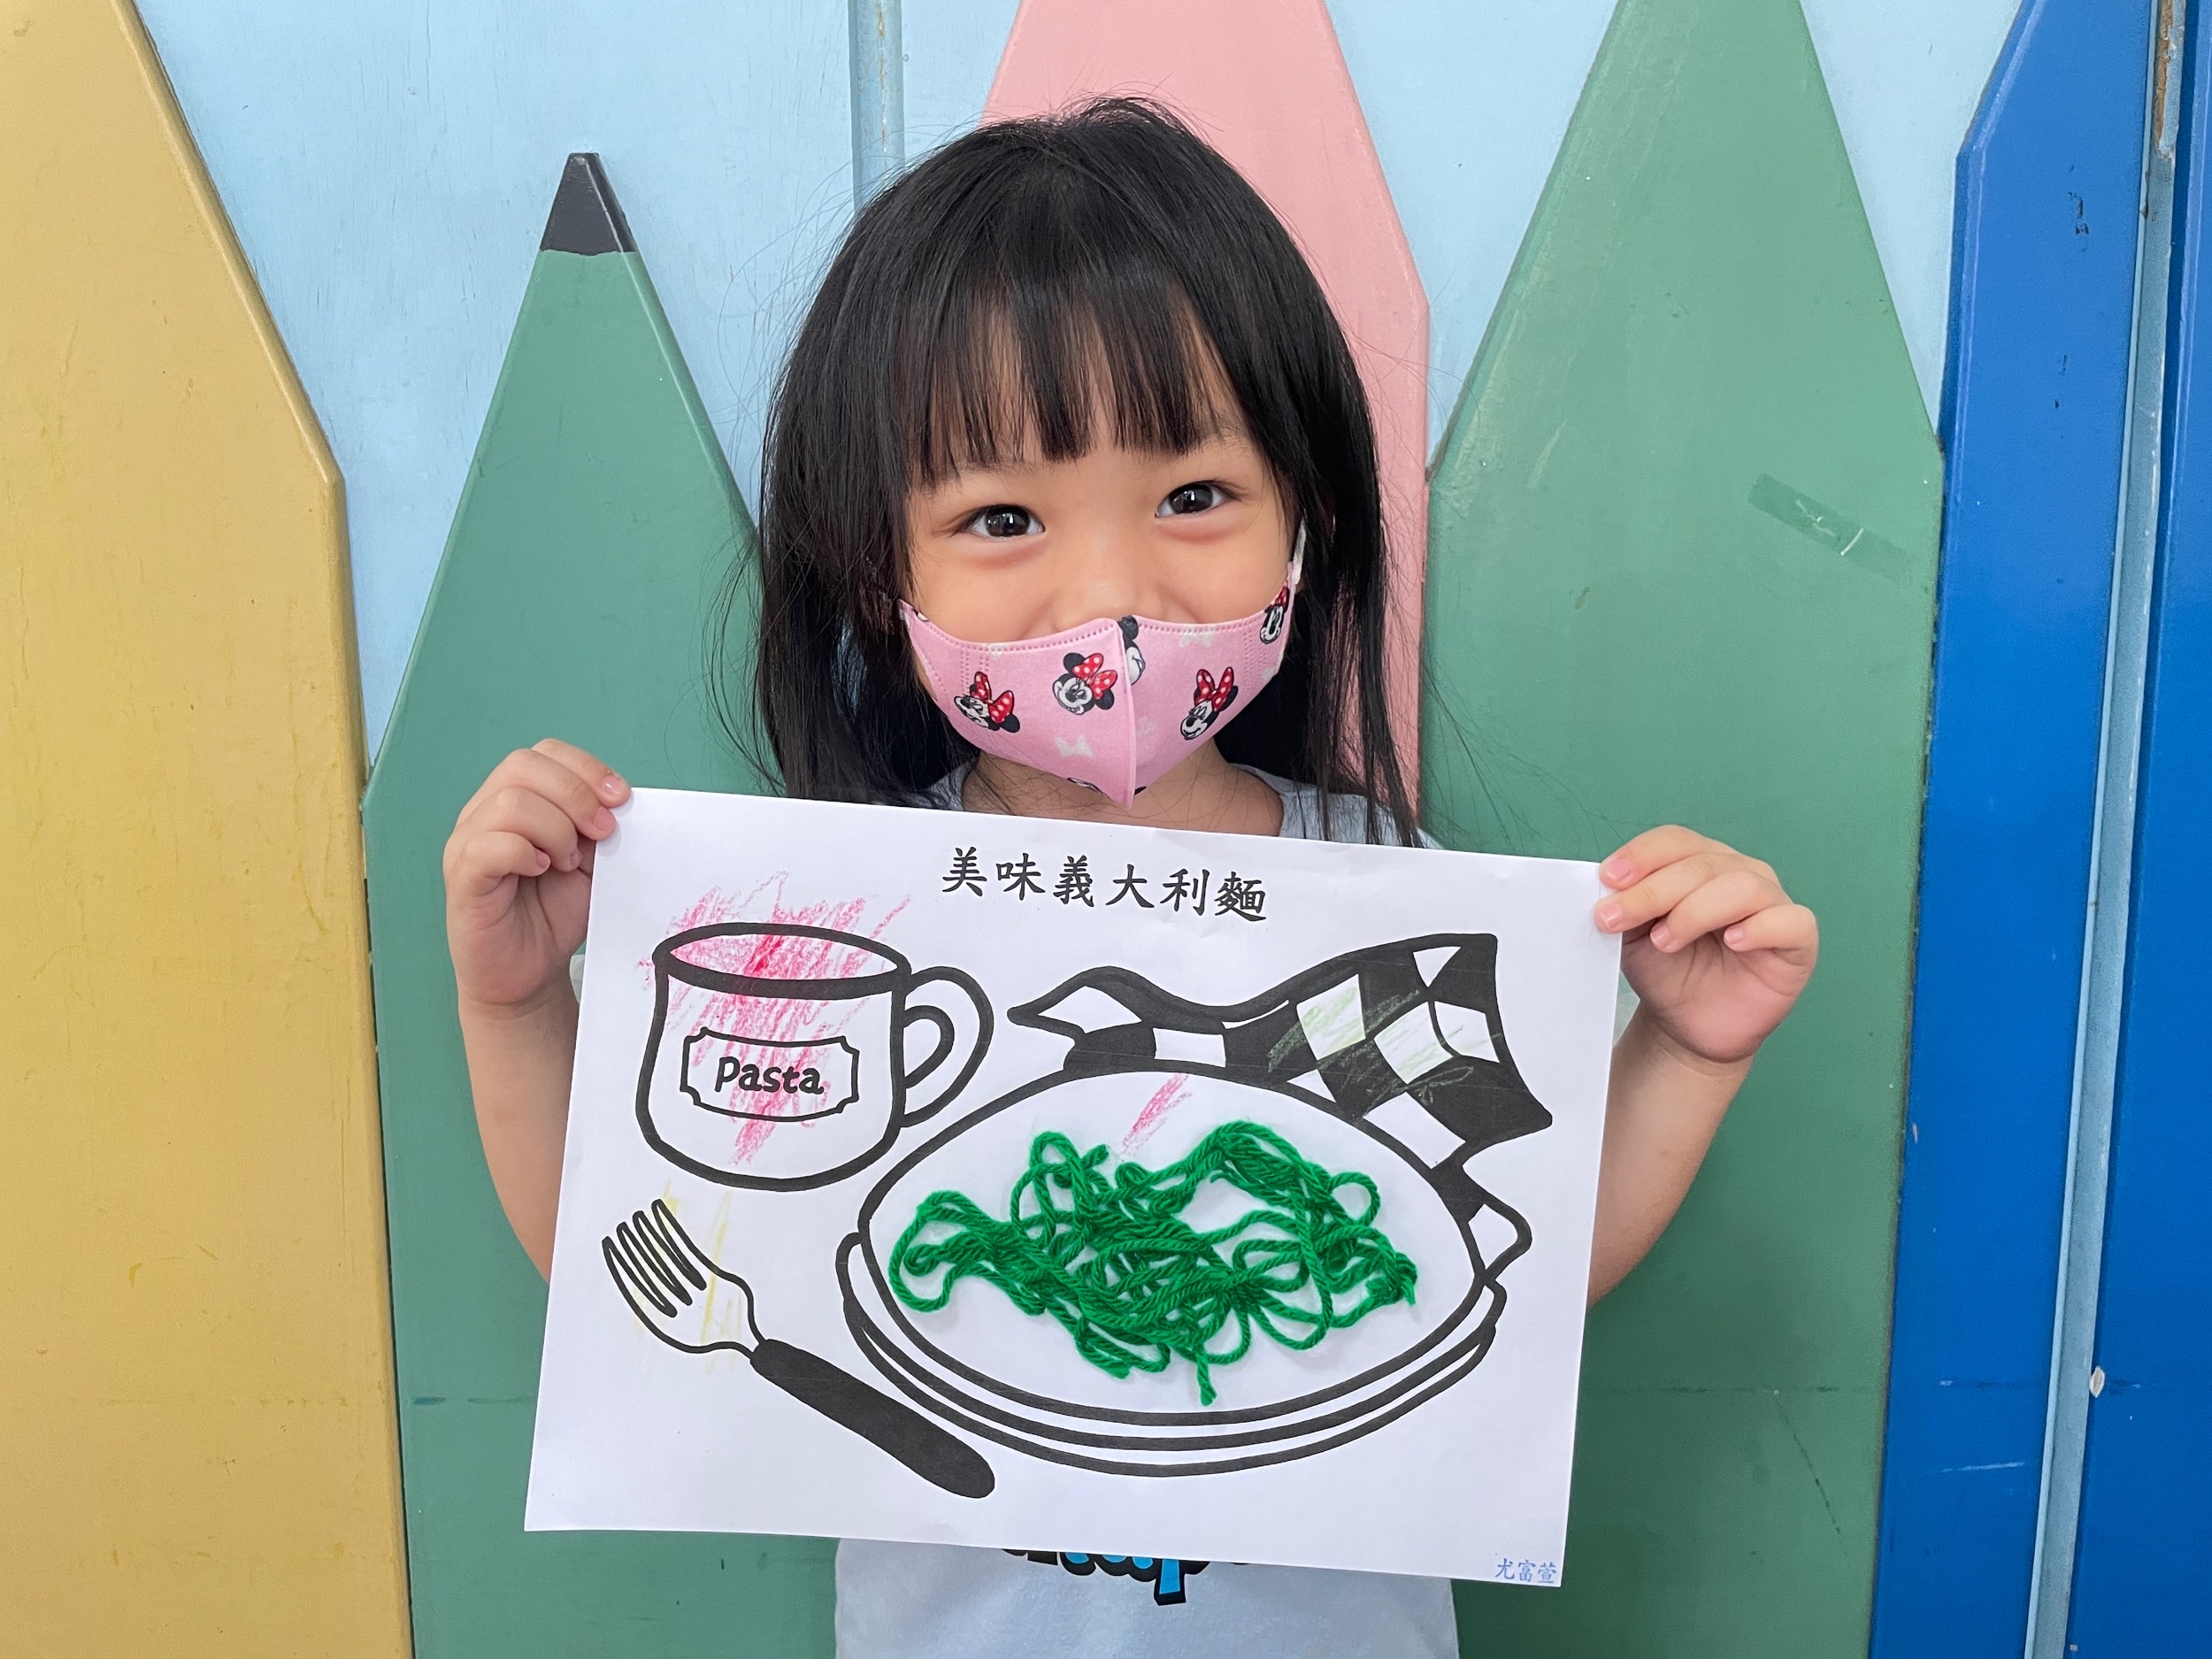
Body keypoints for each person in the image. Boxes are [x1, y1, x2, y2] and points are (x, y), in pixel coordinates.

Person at [443, 99, 1818, 1659]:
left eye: (1194, 496)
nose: (1111, 594)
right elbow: (658, 1270)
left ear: (1307, 516)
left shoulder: (1388, 896)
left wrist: (1689, 1050)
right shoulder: (845, 920)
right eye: (1002, 518)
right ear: (875, 566)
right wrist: (516, 1009)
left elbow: (1516, 1258)